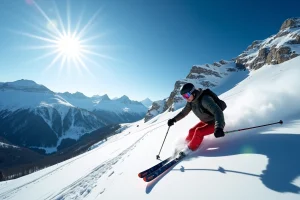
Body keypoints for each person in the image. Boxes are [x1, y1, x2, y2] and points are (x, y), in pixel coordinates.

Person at [167, 83, 226, 156]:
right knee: (191, 131)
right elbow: (183, 113)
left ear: (193, 92)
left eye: (187, 95)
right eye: (183, 96)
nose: (186, 98)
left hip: (215, 123)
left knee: (199, 132)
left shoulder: (205, 99)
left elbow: (218, 112)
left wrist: (219, 127)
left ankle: (189, 149)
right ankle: (183, 146)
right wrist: (174, 120)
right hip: (206, 121)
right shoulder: (191, 102)